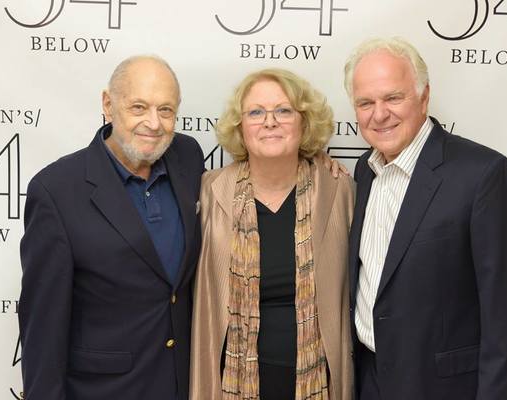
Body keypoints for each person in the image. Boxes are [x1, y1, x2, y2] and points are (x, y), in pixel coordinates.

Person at [344, 37, 507, 400]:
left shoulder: (484, 174)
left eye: (392, 97)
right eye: (365, 103)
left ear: (424, 95)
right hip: (369, 380)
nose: (379, 113)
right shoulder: (365, 171)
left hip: (445, 388)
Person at [18, 55, 204, 400]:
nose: (154, 123)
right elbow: (43, 325)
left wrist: (317, 162)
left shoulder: (187, 156)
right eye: (138, 107)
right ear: (108, 104)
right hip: (103, 389)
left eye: (166, 110)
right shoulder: (56, 189)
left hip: (181, 384)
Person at [190, 68, 354, 399]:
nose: (270, 121)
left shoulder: (338, 191)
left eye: (283, 110)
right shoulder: (210, 191)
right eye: (255, 112)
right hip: (232, 383)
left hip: (317, 382)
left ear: (304, 122)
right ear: (240, 126)